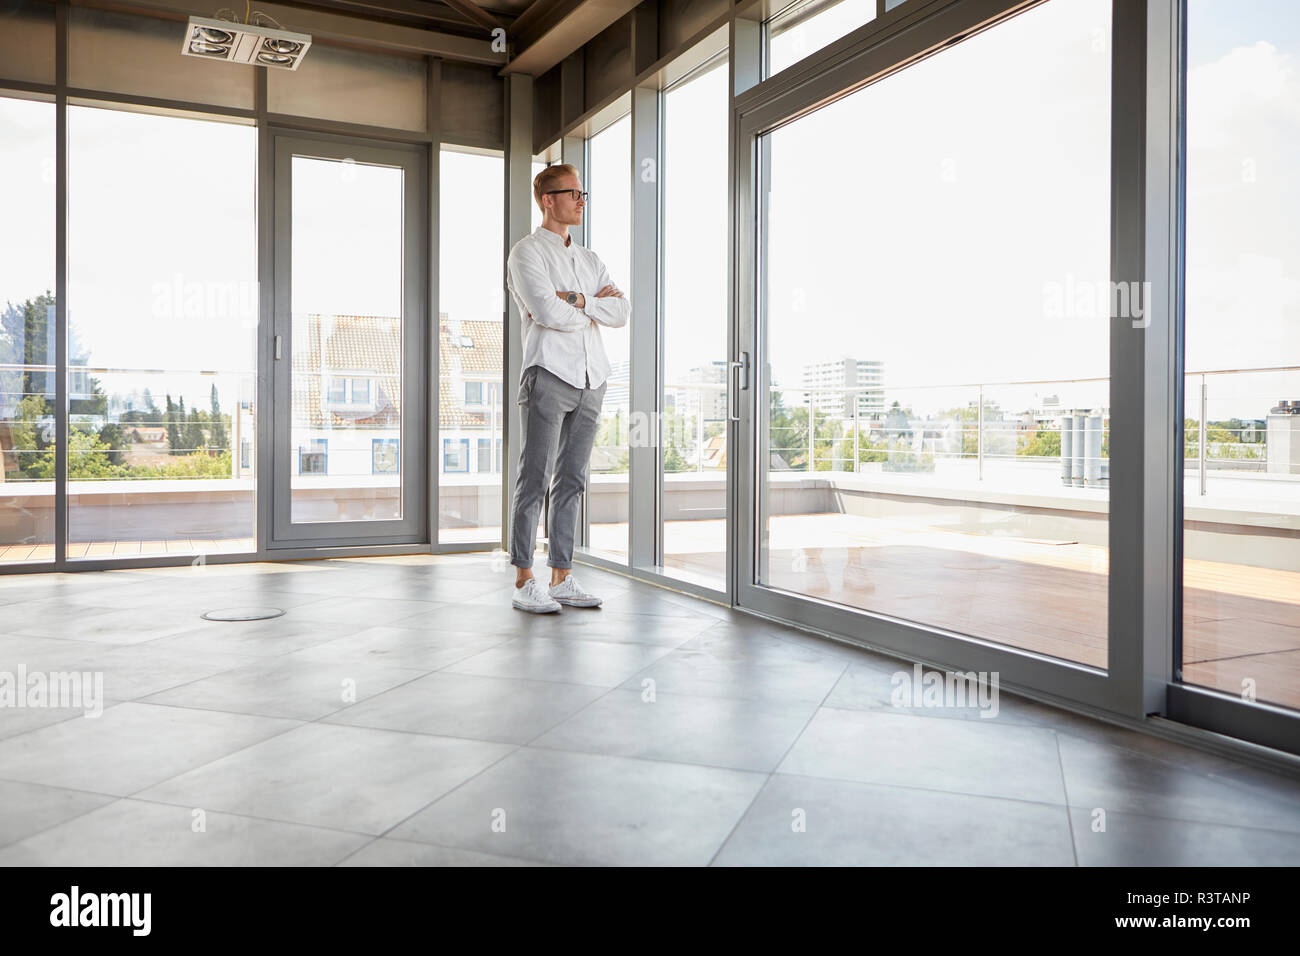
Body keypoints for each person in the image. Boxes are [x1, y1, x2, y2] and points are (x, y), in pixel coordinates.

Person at [503, 163, 630, 613]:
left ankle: (561, 576)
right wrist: (593, 308)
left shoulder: (591, 259)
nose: (581, 200)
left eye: (583, 192)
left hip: (593, 379)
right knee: (534, 477)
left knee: (572, 480)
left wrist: (577, 299)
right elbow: (545, 312)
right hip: (549, 375)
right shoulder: (526, 253)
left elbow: (622, 312)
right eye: (573, 192)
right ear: (547, 200)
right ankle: (523, 580)